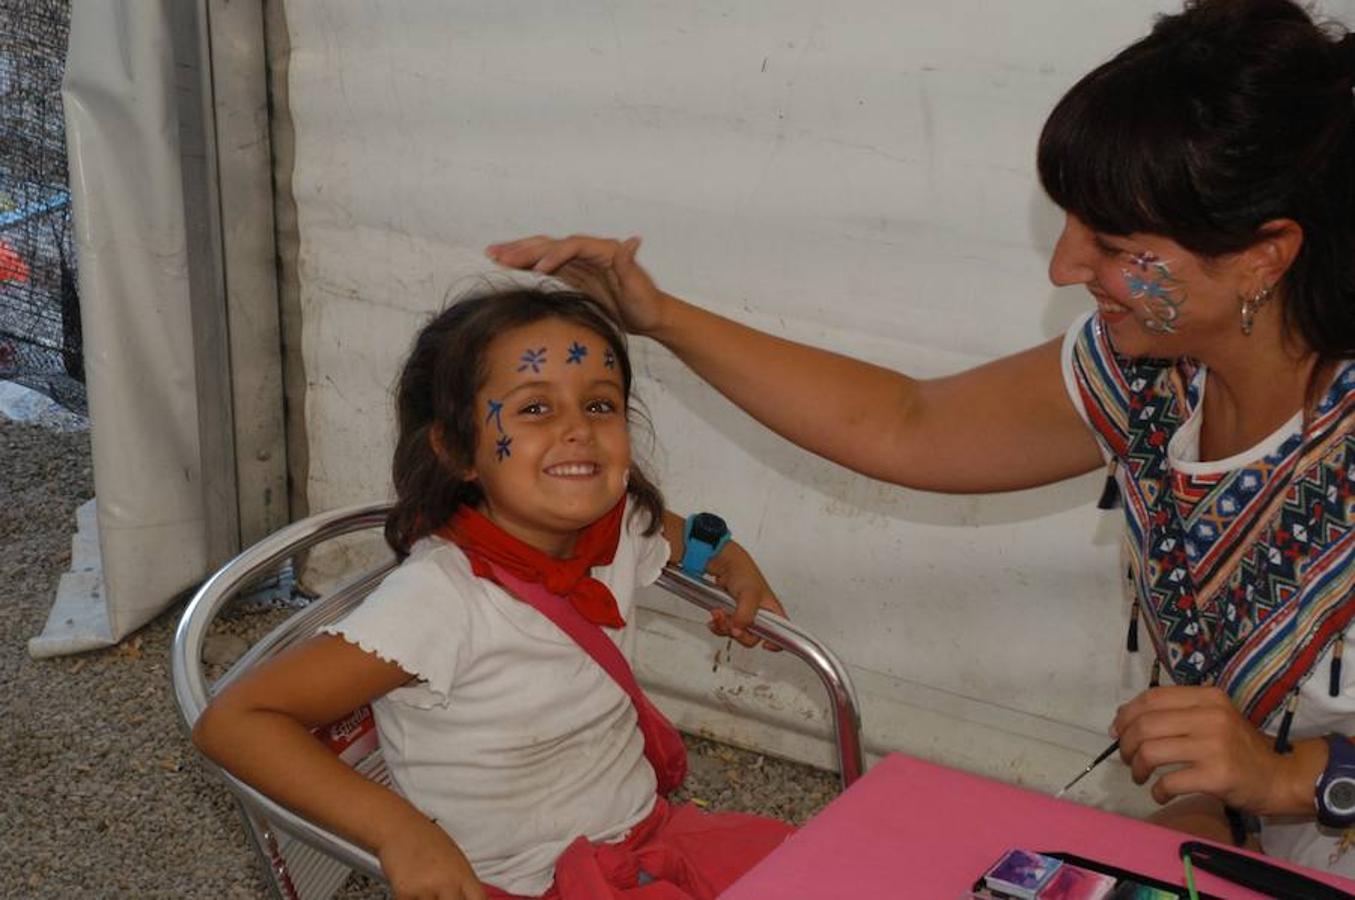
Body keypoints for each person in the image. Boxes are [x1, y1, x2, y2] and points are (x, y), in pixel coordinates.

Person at [486, 0, 1355, 875]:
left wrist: (1289, 782)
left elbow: (1280, 765)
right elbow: (909, 425)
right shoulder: (1151, 368)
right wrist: (659, 316)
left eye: (1114, 243)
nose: (1064, 267)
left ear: (1263, 255)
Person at [192, 287, 794, 899]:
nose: (578, 431)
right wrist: (399, 833)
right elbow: (236, 721)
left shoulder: (616, 527)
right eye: (535, 410)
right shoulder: (437, 600)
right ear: (458, 451)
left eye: (600, 405)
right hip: (526, 887)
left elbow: (678, 532)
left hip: (651, 838)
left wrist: (726, 558)